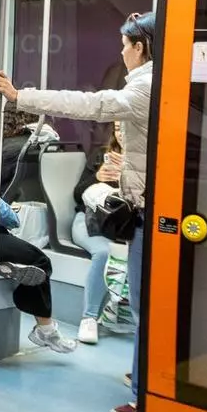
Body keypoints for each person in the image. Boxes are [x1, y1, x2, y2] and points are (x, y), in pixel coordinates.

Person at [0, 11, 155, 412]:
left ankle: (145, 396)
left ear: (140, 48)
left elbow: (88, 105)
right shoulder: (159, 84)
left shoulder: (144, 88)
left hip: (146, 211)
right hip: (143, 206)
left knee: (145, 308)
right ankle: (144, 374)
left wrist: (19, 96)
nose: (122, 52)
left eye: (125, 45)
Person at [0, 198, 77, 354]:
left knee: (27, 262)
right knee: (40, 262)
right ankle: (46, 330)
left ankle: (0, 264)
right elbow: (11, 219)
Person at [72, 123, 124, 345]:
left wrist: (127, 177)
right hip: (90, 221)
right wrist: (97, 177)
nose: (121, 134)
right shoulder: (102, 155)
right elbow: (77, 194)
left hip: (123, 226)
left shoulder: (145, 162)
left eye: (126, 128)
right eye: (118, 128)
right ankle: (89, 318)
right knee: (104, 253)